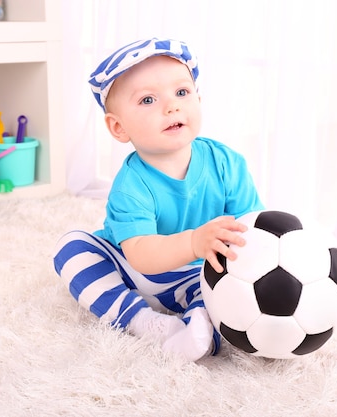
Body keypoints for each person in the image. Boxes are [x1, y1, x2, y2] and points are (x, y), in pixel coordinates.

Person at [53, 38, 264, 361]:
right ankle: (141, 320)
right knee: (72, 249)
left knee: (224, 292)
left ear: (198, 99)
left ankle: (199, 330)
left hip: (197, 273)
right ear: (119, 127)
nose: (171, 106)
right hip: (130, 265)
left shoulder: (227, 163)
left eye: (182, 93)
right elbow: (139, 256)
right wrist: (194, 242)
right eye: (148, 99)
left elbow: (252, 229)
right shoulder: (130, 184)